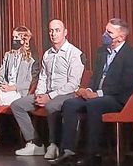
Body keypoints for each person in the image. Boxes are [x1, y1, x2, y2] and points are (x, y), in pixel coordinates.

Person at [50, 18, 133, 166]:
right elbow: (95, 77)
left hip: (117, 99)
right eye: (105, 30)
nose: (104, 34)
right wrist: (88, 90)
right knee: (70, 104)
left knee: (94, 104)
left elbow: (127, 85)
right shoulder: (101, 52)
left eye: (109, 32)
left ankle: (93, 154)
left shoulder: (131, 56)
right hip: (97, 95)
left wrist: (98, 94)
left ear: (121, 37)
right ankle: (67, 151)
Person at [11, 19, 84, 158]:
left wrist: (50, 96)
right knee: (17, 105)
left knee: (51, 105)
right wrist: (39, 94)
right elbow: (43, 77)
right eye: (51, 30)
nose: (53, 34)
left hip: (67, 94)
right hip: (47, 92)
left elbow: (73, 84)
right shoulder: (47, 54)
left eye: (57, 30)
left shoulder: (74, 53)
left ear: (65, 32)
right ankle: (35, 143)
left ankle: (53, 144)